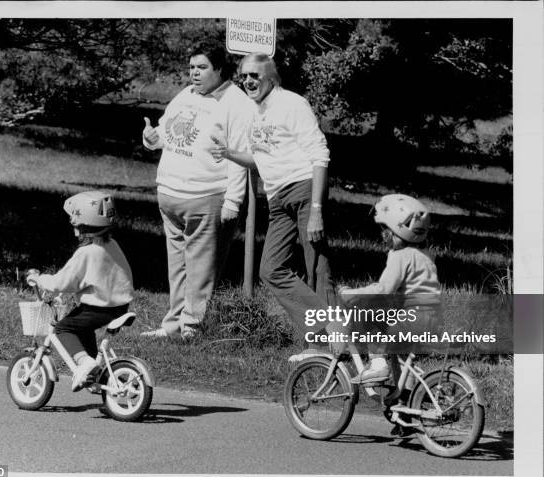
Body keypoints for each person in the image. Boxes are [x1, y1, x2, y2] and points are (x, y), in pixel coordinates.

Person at [209, 52, 336, 362]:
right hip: (278, 198)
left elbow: (320, 154)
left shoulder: (292, 104)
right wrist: (229, 153)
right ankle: (331, 329)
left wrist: (317, 209)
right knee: (271, 269)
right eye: (245, 76)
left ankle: (327, 345)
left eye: (255, 75)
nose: (249, 81)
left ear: (271, 78)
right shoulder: (255, 111)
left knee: (317, 268)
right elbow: (263, 158)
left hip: (305, 191)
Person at [140, 43, 251, 340]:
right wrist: (152, 138)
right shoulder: (185, 95)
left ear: (219, 69)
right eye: (191, 68)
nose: (195, 73)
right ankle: (172, 325)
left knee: (200, 269)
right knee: (177, 268)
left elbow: (239, 154)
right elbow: (166, 131)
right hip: (171, 194)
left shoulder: (235, 103)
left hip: (206, 196)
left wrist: (232, 201)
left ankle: (193, 327)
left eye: (201, 68)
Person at [26, 191, 135, 391]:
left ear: (80, 225)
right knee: (82, 326)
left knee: (64, 328)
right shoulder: (111, 244)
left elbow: (62, 282)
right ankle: (96, 373)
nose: (73, 228)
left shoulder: (86, 252)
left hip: (99, 308)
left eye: (74, 223)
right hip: (120, 306)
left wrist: (39, 279)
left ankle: (85, 363)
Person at [337, 194, 441, 386]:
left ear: (394, 231)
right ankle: (409, 397)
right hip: (432, 318)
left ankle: (377, 365)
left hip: (413, 318)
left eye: (385, 230)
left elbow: (384, 288)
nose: (383, 235)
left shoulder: (400, 256)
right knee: (401, 356)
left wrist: (352, 294)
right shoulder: (426, 255)